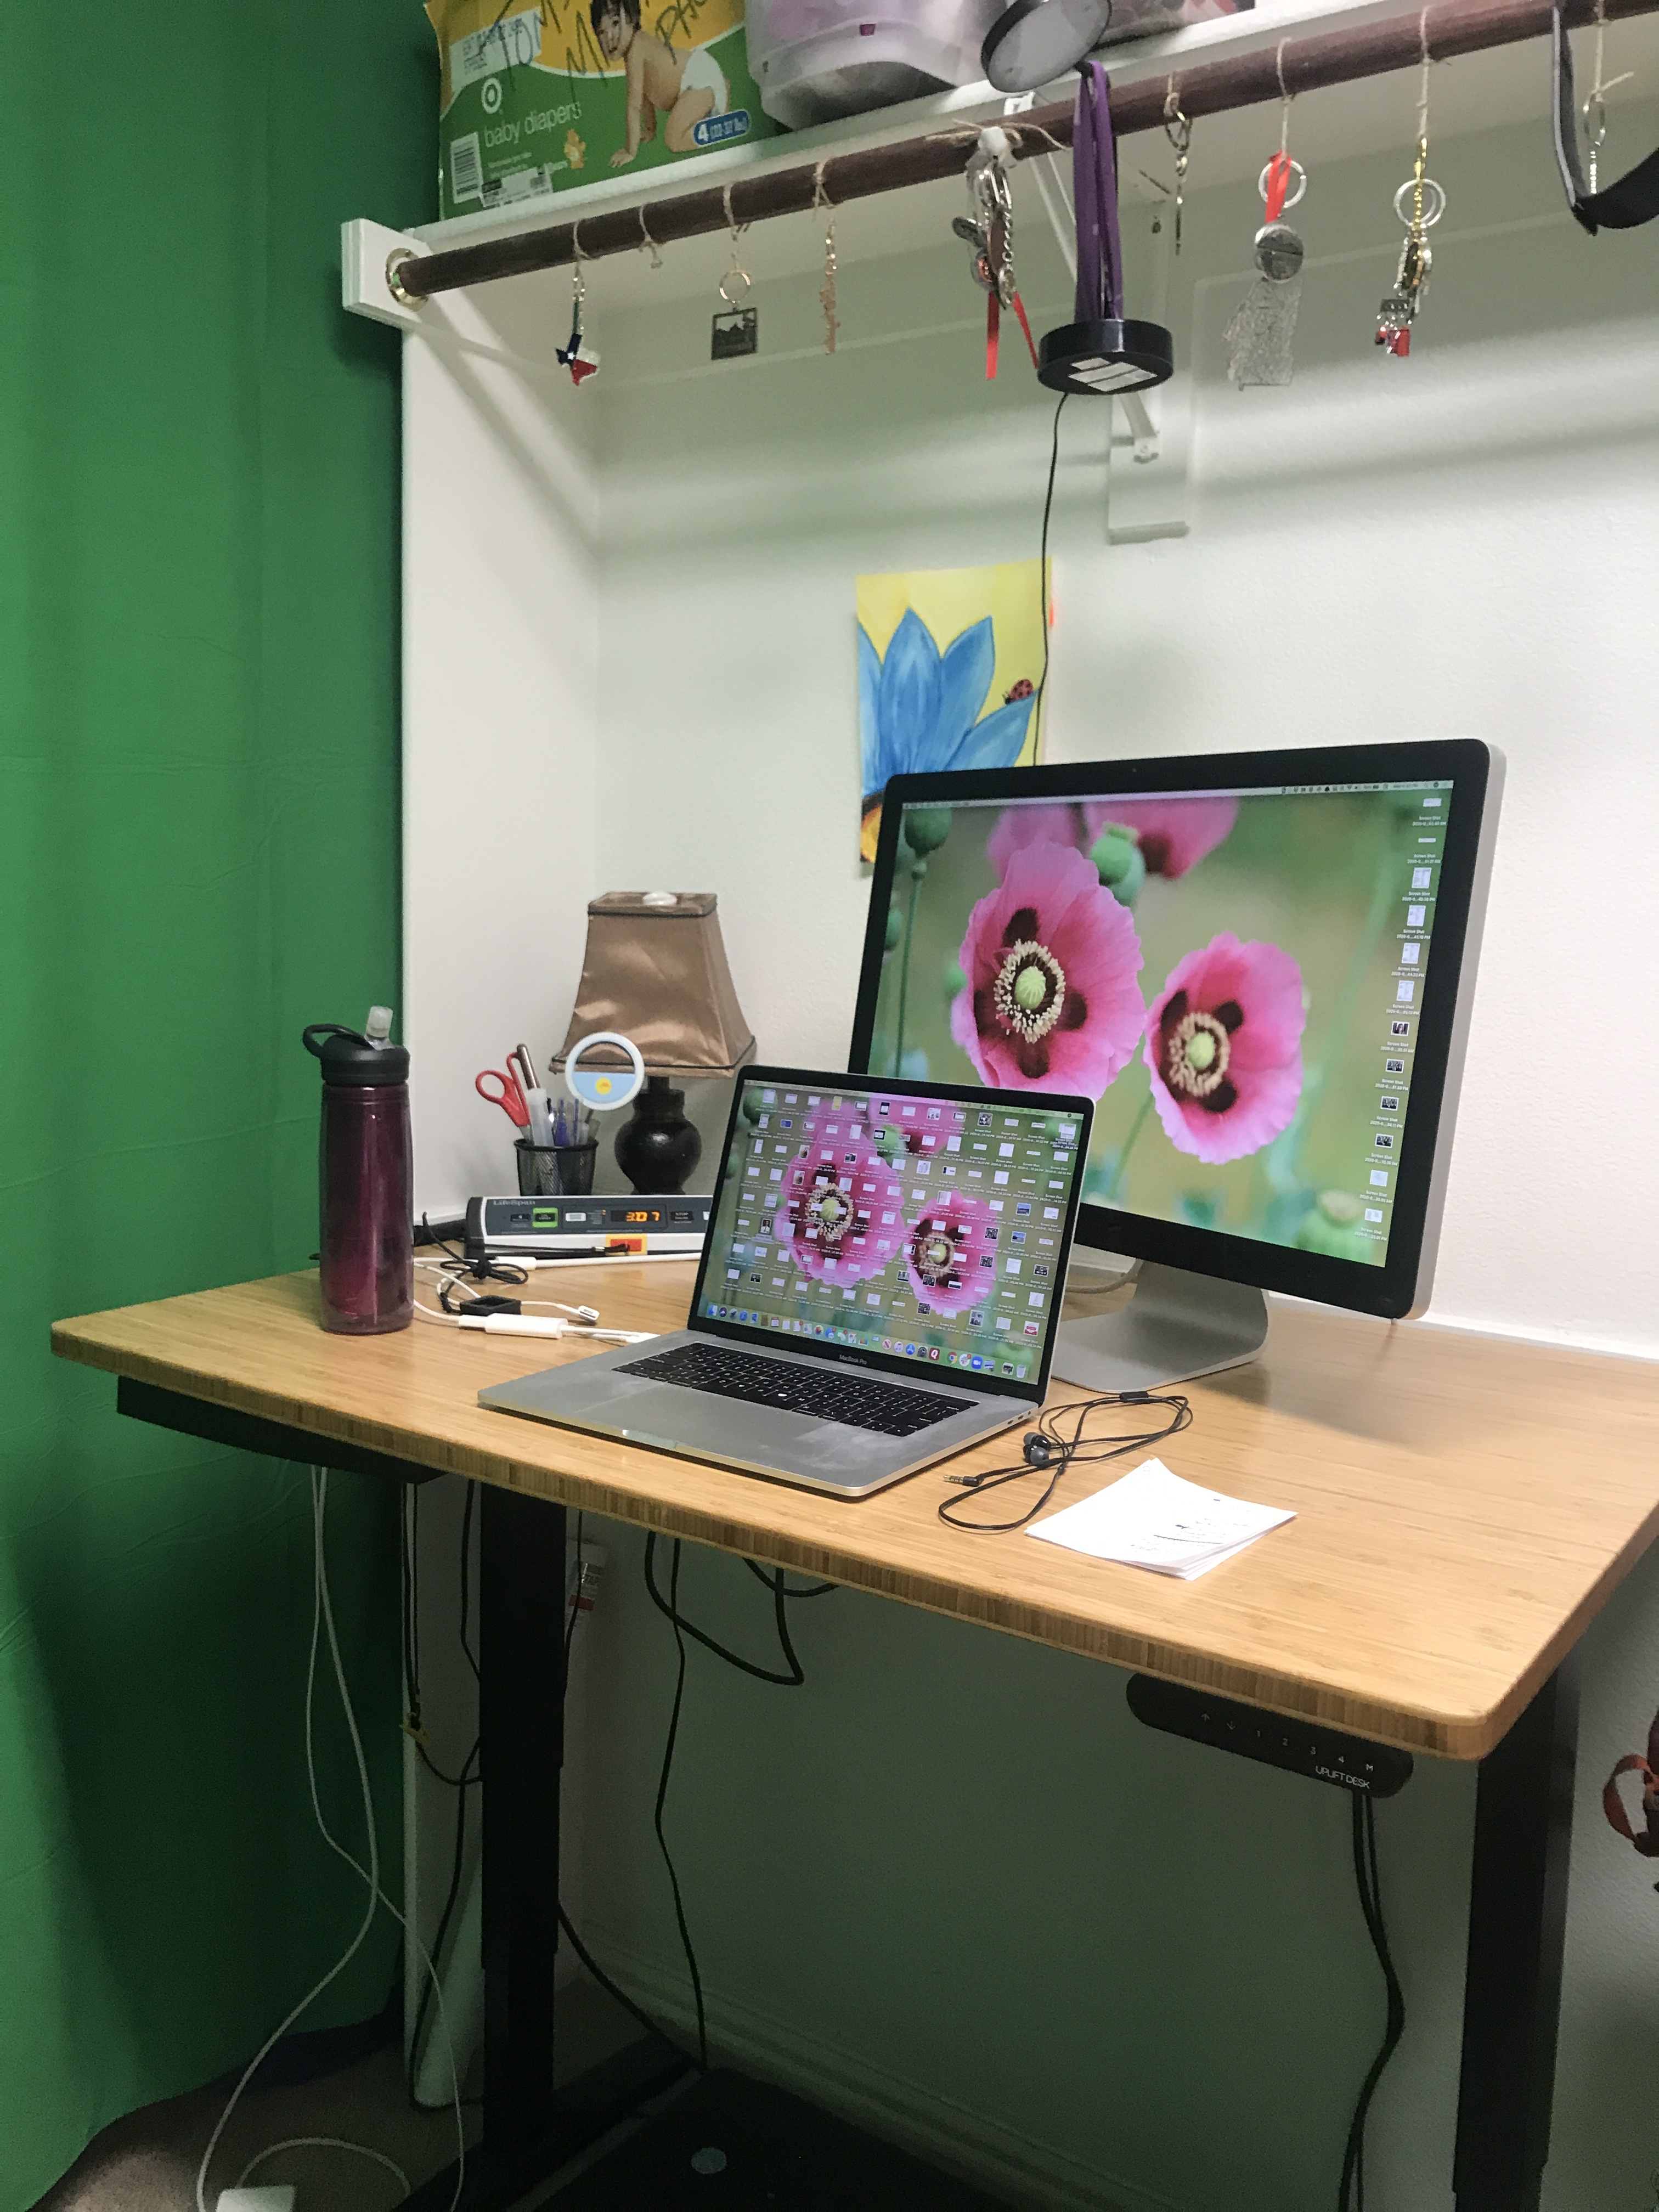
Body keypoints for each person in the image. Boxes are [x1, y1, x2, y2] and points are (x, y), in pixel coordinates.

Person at [591, 0, 727, 166]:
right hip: (695, 83)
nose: (610, 37)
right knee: (675, 129)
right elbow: (644, 96)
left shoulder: (637, 49)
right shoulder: (633, 52)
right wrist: (650, 128)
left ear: (633, 19)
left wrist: (630, 151)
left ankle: (721, 121)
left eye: (615, 23)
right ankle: (715, 110)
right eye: (601, 32)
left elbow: (634, 105)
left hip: (700, 81)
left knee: (674, 140)